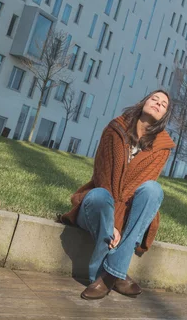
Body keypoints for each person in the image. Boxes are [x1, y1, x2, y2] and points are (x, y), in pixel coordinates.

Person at [59, 90, 175, 300]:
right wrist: (113, 223)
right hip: (99, 206)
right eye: (154, 99)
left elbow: (138, 187)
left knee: (153, 190)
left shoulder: (163, 148)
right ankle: (116, 275)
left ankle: (107, 276)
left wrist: (120, 224)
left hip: (130, 211)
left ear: (165, 115)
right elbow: (102, 175)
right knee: (100, 196)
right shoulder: (115, 129)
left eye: (163, 104)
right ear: (144, 102)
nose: (158, 103)